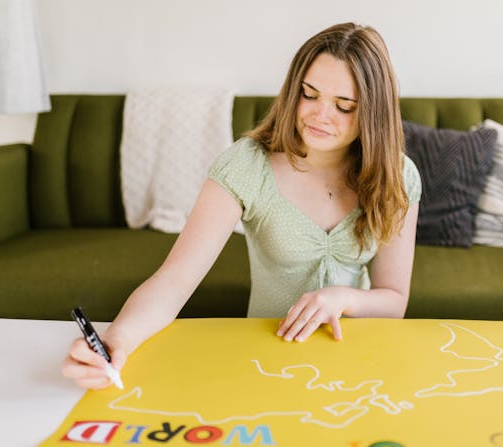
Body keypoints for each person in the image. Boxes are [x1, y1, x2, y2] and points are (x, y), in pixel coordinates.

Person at [62, 22, 421, 389]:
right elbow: (174, 281)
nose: (319, 115)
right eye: (309, 95)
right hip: (270, 357)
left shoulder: (399, 175)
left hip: (358, 359)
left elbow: (394, 301)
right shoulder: (247, 166)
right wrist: (117, 340)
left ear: (372, 114)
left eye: (344, 106)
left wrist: (342, 299)